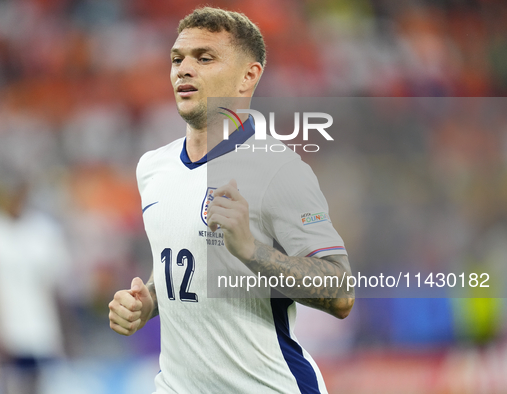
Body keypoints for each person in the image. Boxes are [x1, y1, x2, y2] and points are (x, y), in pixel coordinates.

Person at [108, 7, 354, 393]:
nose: (183, 69)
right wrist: (147, 303)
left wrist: (251, 251)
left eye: (204, 58)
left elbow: (341, 294)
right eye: (177, 59)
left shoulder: (280, 171)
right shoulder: (152, 168)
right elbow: (179, 262)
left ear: (247, 76)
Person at [0, 179, 71, 394]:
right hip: (4, 326)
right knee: (8, 383)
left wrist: (63, 332)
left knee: (39, 383)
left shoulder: (44, 231)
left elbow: (57, 285)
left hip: (40, 327)